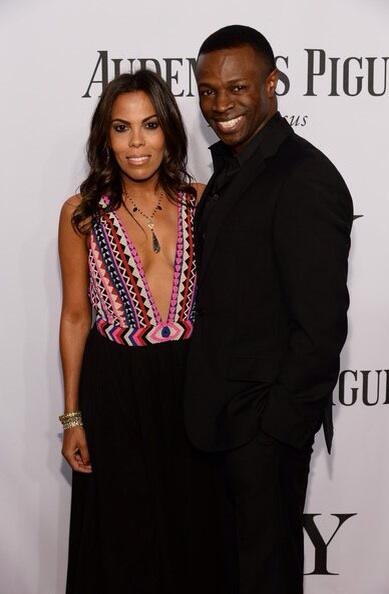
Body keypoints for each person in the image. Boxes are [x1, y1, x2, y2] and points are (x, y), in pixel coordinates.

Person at [184, 25, 353, 594]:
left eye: (237, 88)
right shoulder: (232, 170)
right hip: (214, 424)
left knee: (265, 578)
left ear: (273, 83)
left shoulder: (305, 178)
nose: (220, 105)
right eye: (208, 91)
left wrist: (276, 433)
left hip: (261, 435)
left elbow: (322, 327)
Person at [58, 70, 224, 594]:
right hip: (114, 390)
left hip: (191, 386)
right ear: (104, 138)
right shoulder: (82, 213)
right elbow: (75, 316)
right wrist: (71, 417)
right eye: (121, 128)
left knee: (194, 536)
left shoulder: (204, 201)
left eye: (149, 126)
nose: (136, 143)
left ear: (169, 131)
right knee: (122, 544)